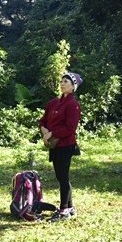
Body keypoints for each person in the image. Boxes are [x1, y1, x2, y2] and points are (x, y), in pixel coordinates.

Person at [39, 72, 82, 221]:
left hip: (66, 145)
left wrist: (52, 133)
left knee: (63, 177)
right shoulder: (53, 103)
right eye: (62, 81)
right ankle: (70, 208)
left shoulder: (73, 105)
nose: (62, 83)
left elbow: (70, 128)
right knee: (60, 176)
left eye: (66, 81)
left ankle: (64, 210)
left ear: (73, 87)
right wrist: (45, 131)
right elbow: (43, 121)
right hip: (54, 145)